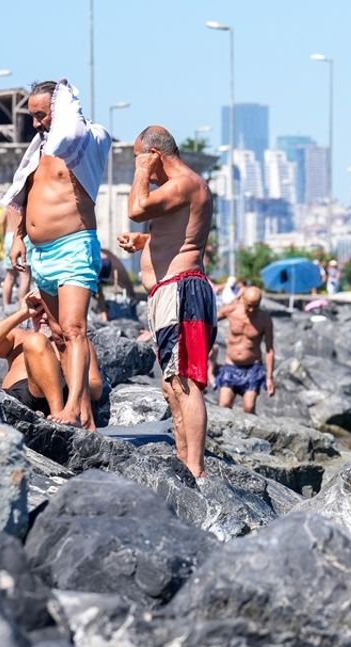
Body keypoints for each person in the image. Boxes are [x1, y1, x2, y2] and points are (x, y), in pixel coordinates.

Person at [0, 78, 110, 427]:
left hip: (74, 246)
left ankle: (73, 409)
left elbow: (72, 127)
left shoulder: (85, 142)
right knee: (58, 334)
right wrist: (19, 238)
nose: (36, 124)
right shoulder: (38, 151)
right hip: (40, 253)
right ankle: (85, 415)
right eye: (31, 116)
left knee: (75, 328)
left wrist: (65, 98)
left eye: (42, 115)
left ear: (60, 109)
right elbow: (24, 198)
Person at [118, 125, 216, 478]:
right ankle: (184, 458)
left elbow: (136, 207)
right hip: (170, 294)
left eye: (139, 157)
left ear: (154, 155)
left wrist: (141, 171)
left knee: (184, 381)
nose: (138, 164)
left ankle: (195, 467)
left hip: (182, 292)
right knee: (171, 384)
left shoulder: (185, 183)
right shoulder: (179, 190)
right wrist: (145, 242)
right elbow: (180, 234)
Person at [0, 290, 104, 430]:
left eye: (48, 312)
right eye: (38, 311)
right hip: (17, 398)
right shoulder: (19, 336)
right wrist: (22, 314)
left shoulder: (75, 346)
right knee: (35, 340)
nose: (43, 317)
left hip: (61, 397)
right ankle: (59, 418)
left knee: (36, 341)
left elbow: (96, 388)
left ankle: (58, 415)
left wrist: (66, 377)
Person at [214, 285, 275, 414]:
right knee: (224, 405)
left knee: (248, 408)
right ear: (242, 299)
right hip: (231, 366)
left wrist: (269, 378)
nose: (252, 310)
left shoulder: (265, 319)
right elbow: (208, 321)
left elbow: (269, 349)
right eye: (249, 305)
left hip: (252, 368)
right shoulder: (231, 310)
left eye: (256, 306)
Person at [95, 247, 138, 321]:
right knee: (98, 292)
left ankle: (104, 316)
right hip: (103, 261)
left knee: (96, 291)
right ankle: (104, 316)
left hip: (99, 262)